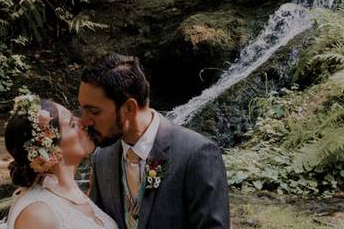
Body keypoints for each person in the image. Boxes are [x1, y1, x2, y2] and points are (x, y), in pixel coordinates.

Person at [78, 53, 230, 229]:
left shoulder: (196, 154)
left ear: (129, 108)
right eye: (83, 109)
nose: (84, 120)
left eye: (94, 112)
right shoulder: (102, 158)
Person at [4, 94, 117, 229]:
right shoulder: (37, 215)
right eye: (72, 124)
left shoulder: (73, 193)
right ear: (48, 147)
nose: (83, 122)